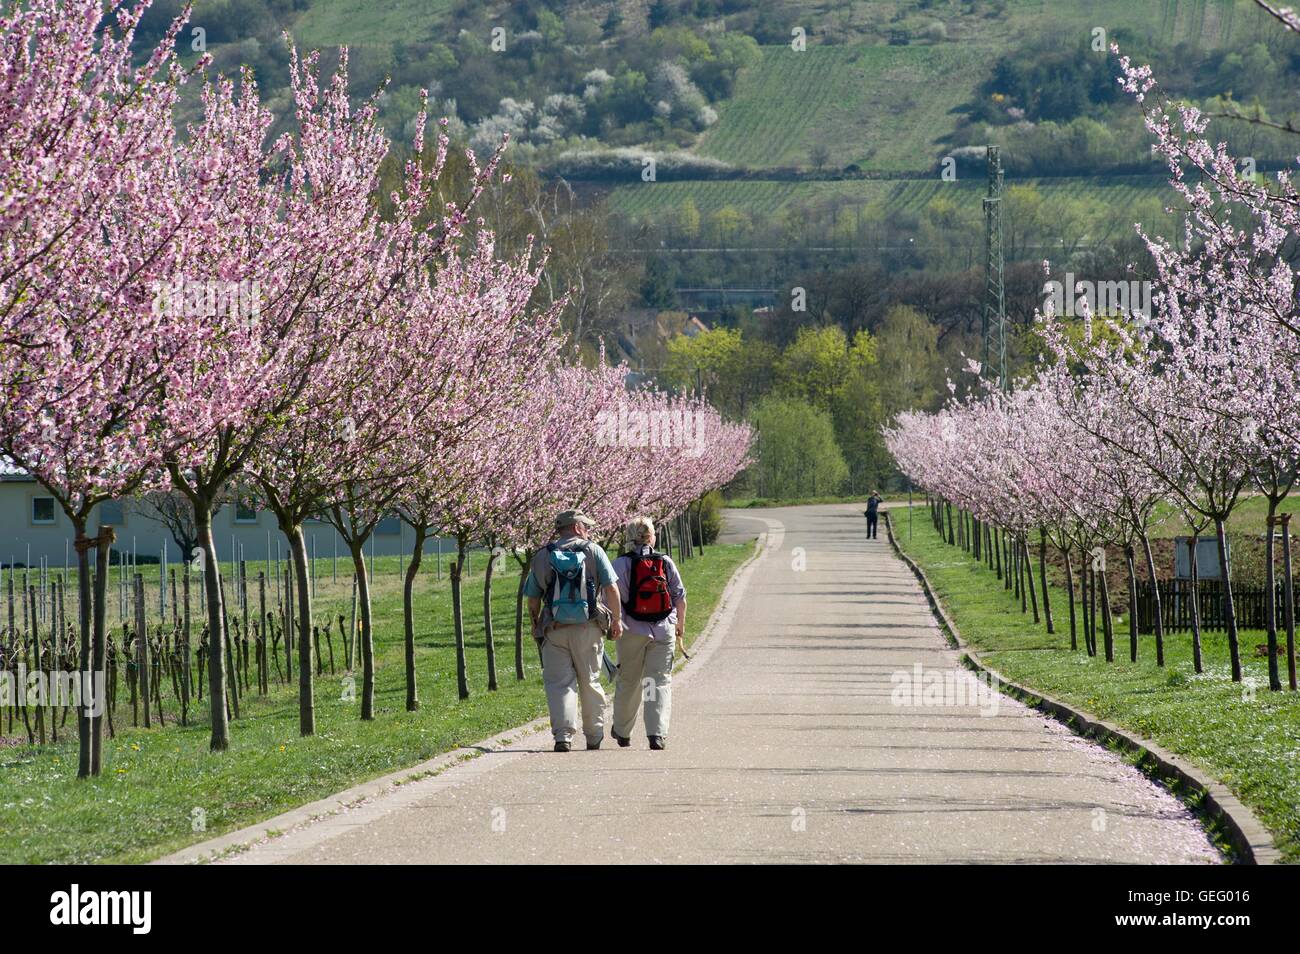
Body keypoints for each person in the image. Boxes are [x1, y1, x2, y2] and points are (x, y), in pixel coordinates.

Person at [525, 510, 623, 752]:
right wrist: (617, 620)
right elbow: (611, 588)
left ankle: (563, 735)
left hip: (554, 628)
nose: (588, 530)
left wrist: (535, 622)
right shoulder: (593, 550)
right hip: (588, 627)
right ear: (578, 527)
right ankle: (594, 734)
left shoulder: (542, 556)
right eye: (585, 526)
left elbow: (532, 598)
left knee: (559, 683)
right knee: (589, 680)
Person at [610, 517, 686, 751]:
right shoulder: (664, 561)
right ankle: (656, 733)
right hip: (663, 631)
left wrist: (615, 623)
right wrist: (678, 625)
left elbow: (611, 600)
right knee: (658, 681)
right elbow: (679, 597)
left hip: (631, 631)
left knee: (629, 681)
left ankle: (622, 731)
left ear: (629, 537)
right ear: (652, 537)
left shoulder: (619, 565)